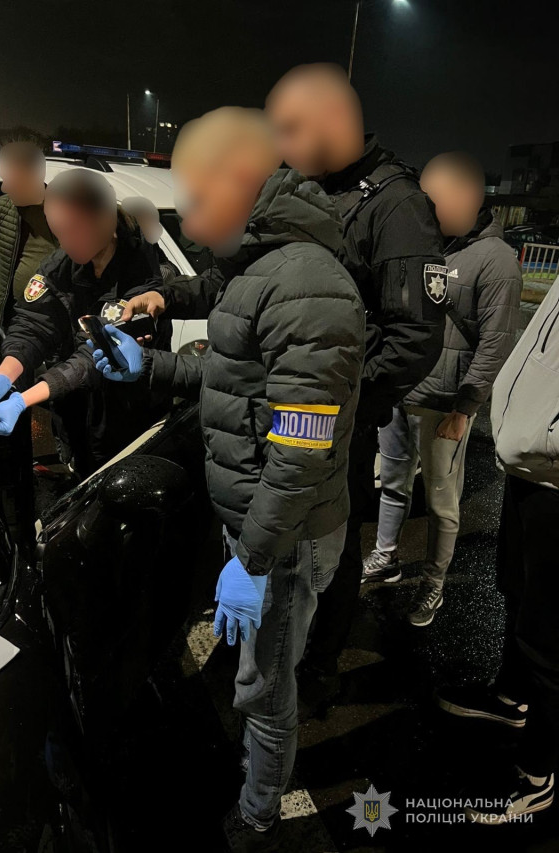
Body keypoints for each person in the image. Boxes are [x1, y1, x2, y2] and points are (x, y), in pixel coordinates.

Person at [92, 106, 365, 851]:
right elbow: (234, 380)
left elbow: (301, 453)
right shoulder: (263, 269)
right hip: (261, 527)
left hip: (284, 538)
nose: (186, 225)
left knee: (267, 686)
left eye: (195, 201)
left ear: (242, 182)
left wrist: (254, 559)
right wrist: (150, 366)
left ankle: (259, 810)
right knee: (256, 669)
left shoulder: (306, 284)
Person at [263, 62, 448, 712]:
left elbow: (412, 340)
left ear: (334, 121)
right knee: (283, 541)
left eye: (291, 128)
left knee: (326, 551)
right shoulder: (312, 191)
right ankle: (283, 651)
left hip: (335, 420)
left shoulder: (396, 204)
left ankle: (315, 672)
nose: (280, 144)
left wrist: (338, 409)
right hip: (283, 409)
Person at [362, 152, 522, 627]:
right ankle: (386, 557)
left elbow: (495, 344)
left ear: (468, 199)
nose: (426, 209)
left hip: (444, 405)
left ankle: (433, 585)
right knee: (392, 486)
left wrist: (464, 409)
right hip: (400, 394)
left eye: (434, 201)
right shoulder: (424, 245)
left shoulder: (496, 261)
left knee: (440, 503)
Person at [435, 271, 559, 824]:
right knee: (515, 589)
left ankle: (538, 773)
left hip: (554, 472)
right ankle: (511, 699)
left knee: (549, 636)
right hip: (533, 463)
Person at [0, 169, 167, 478]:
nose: (65, 243)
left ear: (105, 221)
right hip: (75, 415)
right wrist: (4, 374)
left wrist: (22, 400)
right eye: (58, 233)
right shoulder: (62, 263)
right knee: (80, 477)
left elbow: (96, 356)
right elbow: (34, 322)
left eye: (73, 232)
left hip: (128, 416)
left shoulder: (142, 270)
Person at [0, 141, 57, 329]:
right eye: (4, 178)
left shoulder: (66, 212)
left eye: (12, 179)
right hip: (15, 320)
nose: (4, 187)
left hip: (57, 323)